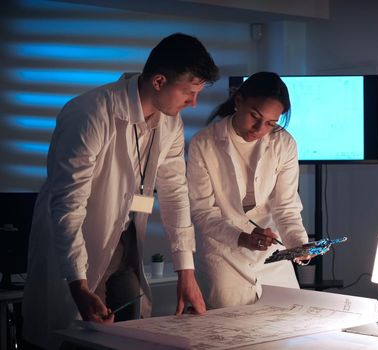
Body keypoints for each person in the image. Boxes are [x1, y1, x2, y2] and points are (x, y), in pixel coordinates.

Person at [22, 33, 219, 349]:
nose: (193, 103)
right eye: (189, 93)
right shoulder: (90, 113)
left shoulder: (170, 122)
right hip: (82, 244)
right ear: (158, 81)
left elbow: (174, 193)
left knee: (135, 334)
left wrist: (186, 272)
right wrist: (77, 285)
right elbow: (68, 206)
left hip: (126, 246)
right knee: (82, 338)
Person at [187, 71, 310, 308]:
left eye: (270, 123)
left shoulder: (284, 144)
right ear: (238, 100)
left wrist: (298, 245)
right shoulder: (204, 143)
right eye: (255, 115)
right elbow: (203, 212)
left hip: (272, 253)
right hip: (225, 253)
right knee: (231, 331)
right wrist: (242, 238)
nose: (259, 128)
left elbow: (286, 207)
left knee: (287, 323)